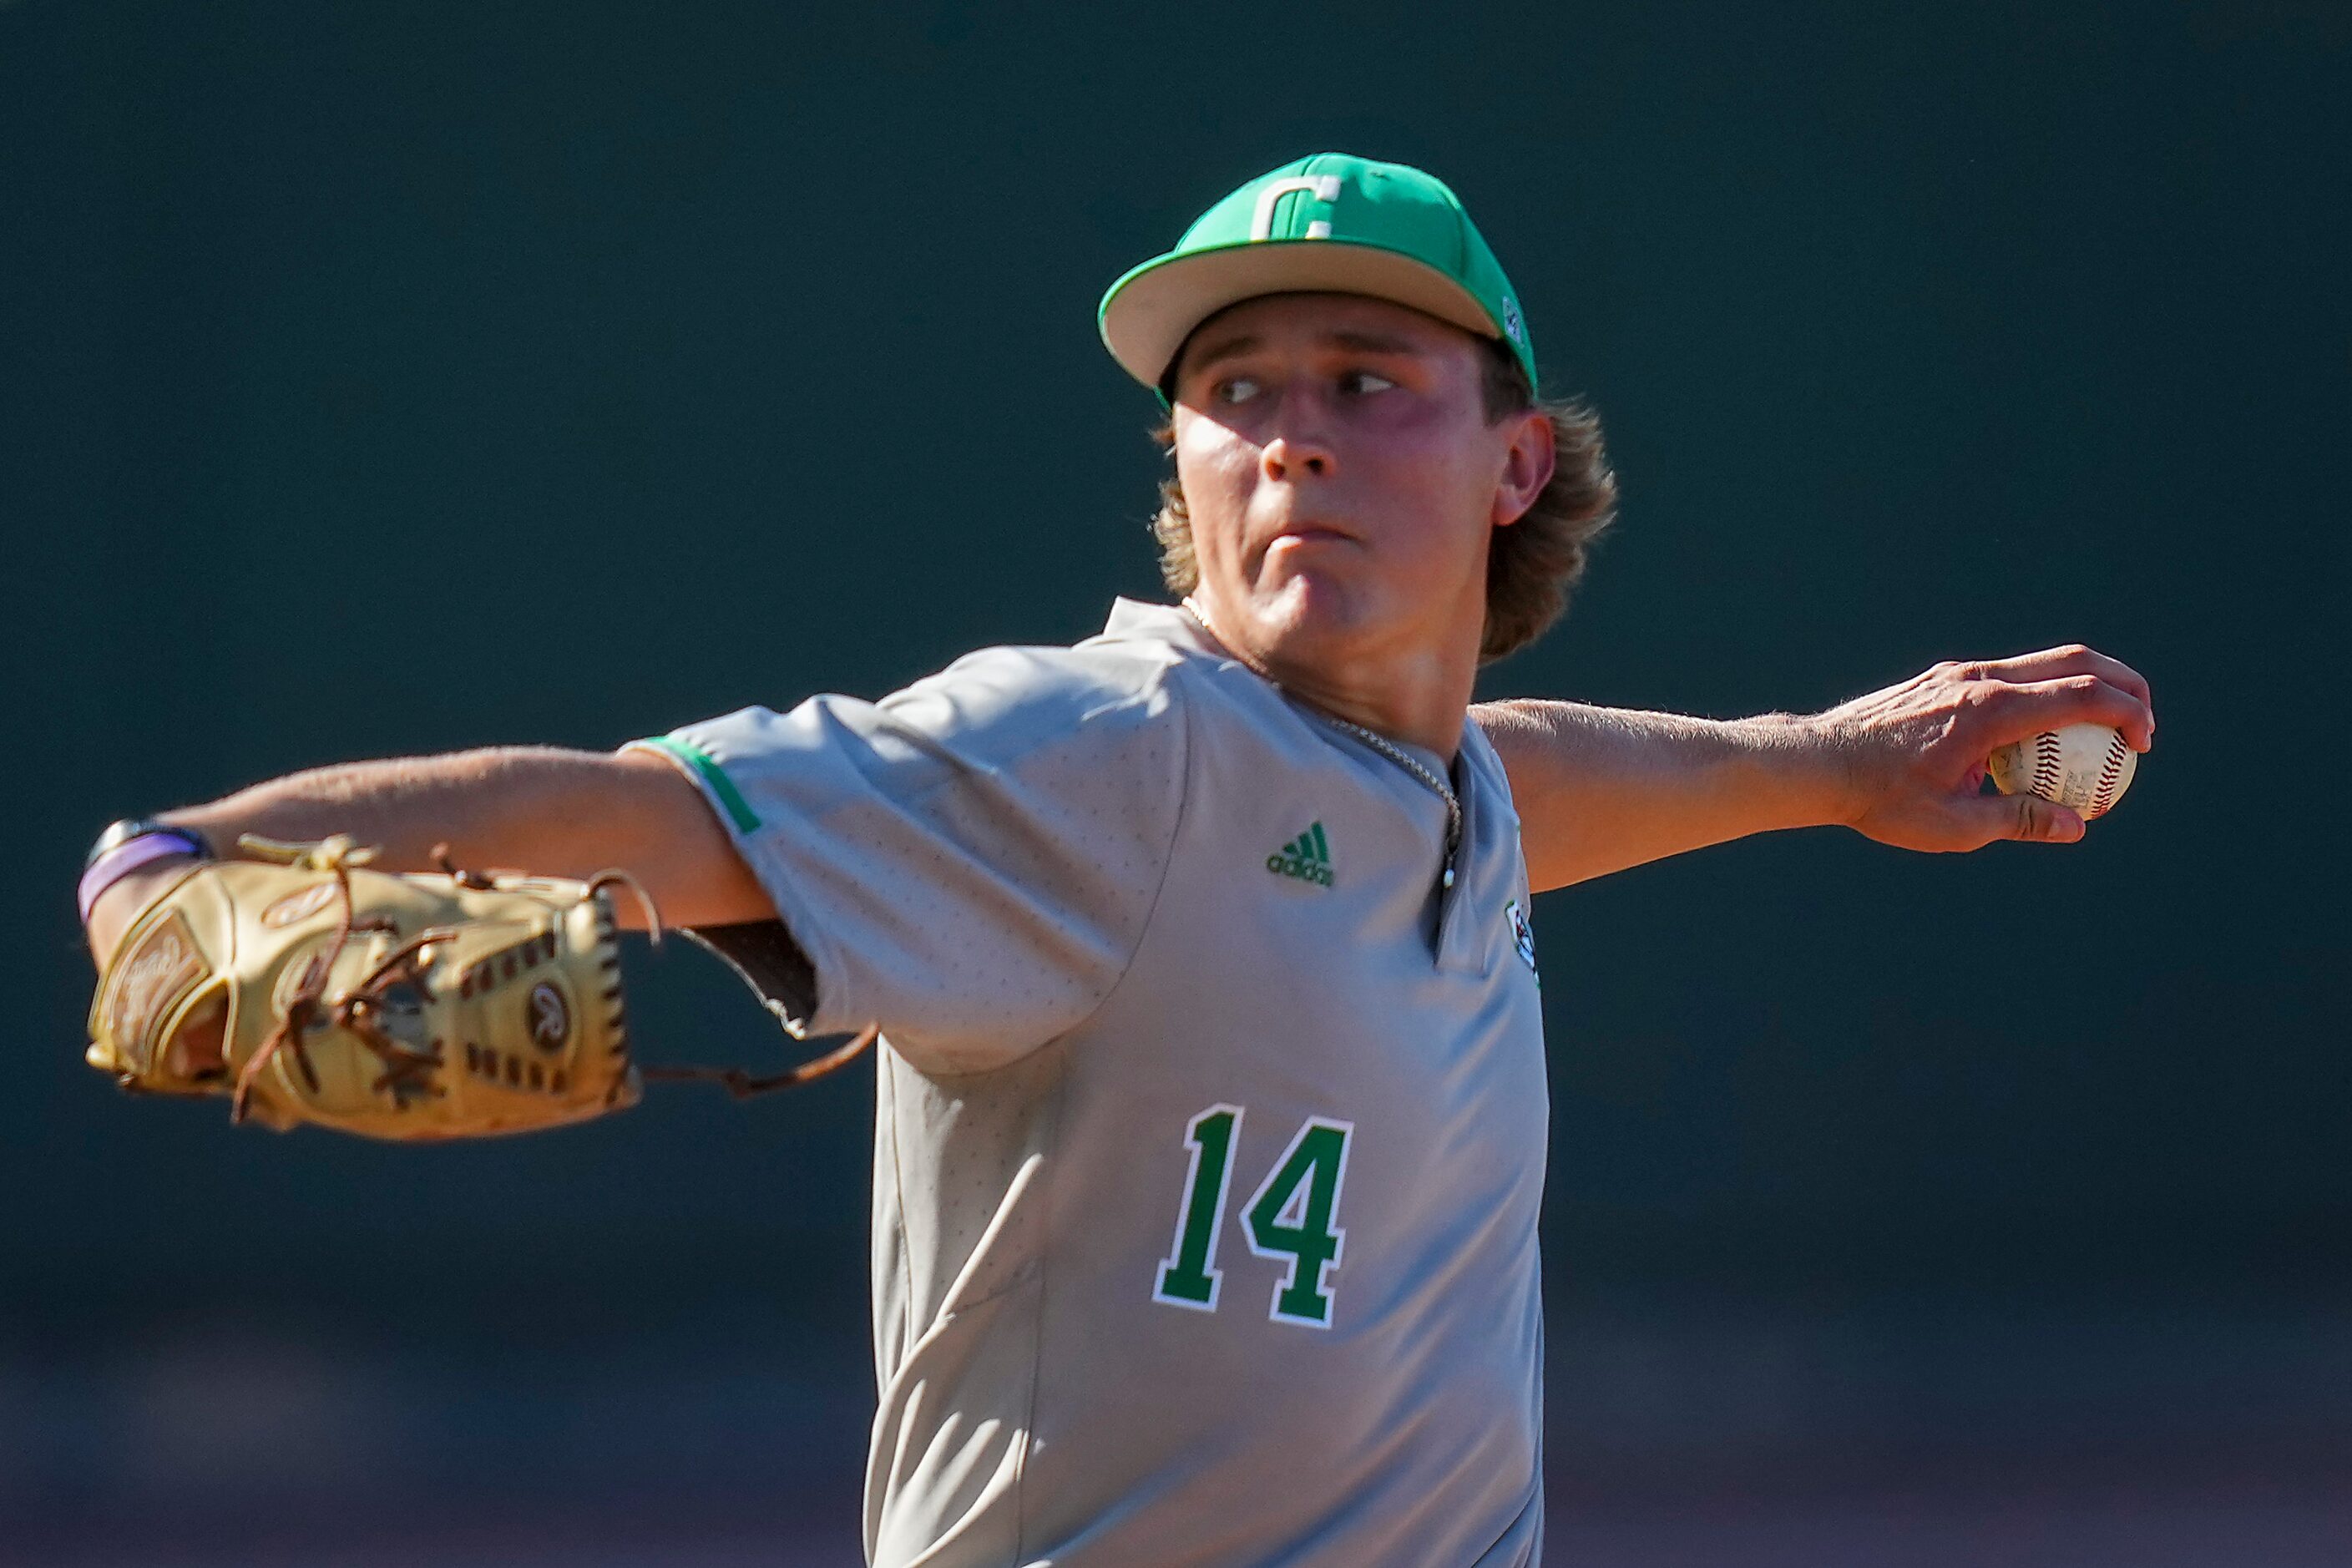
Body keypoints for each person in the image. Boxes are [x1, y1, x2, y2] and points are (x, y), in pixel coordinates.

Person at [81, 153, 2153, 1566]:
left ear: (1518, 460)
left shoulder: (1435, 791)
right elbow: (638, 815)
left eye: (1367, 381)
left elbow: (1527, 777)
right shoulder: (1100, 753)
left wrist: (1826, 760)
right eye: (1232, 392)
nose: (1292, 435)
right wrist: (173, 865)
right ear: (1176, 461)